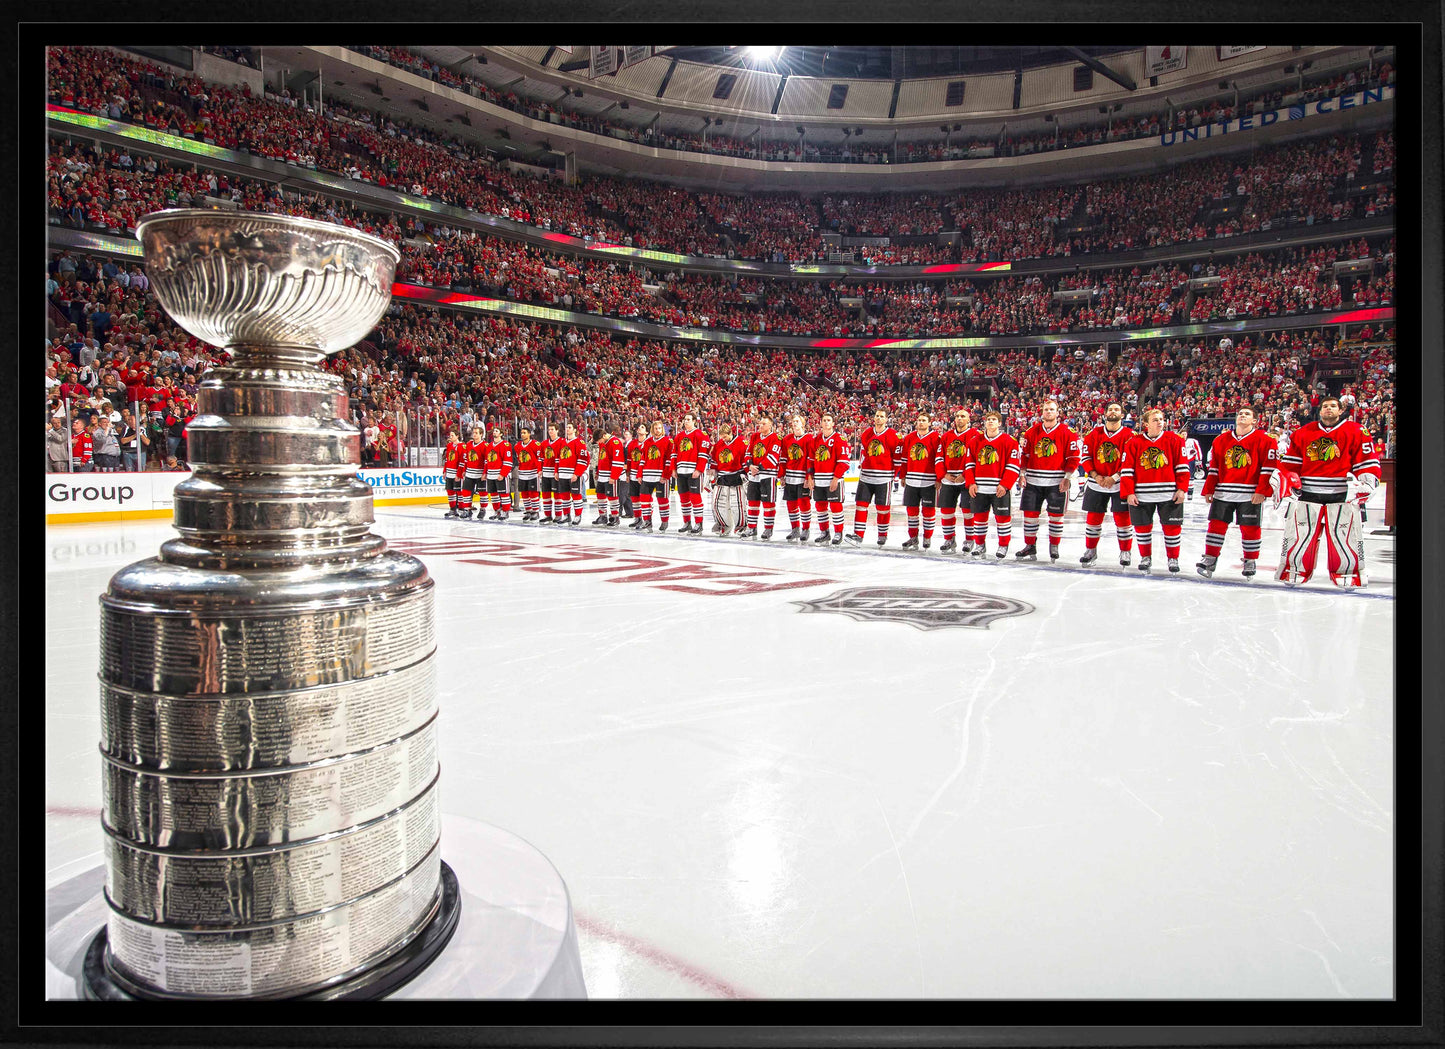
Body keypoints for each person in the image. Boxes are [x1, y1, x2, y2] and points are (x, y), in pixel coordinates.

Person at [1276, 395, 1380, 587]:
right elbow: (1291, 464)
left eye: (1333, 406)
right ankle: (1296, 568)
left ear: (1341, 410)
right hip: (1308, 491)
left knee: (1344, 535)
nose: (1328, 409)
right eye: (1325, 406)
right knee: (1301, 534)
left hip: (1342, 492)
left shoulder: (1356, 431)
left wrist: (1367, 481)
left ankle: (1347, 572)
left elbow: (1366, 460)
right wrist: (1287, 480)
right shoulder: (1304, 432)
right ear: (1320, 410)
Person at [1197, 406, 1276, 578]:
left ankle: (1250, 560)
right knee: (1216, 525)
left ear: (1254, 420)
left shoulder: (1265, 440)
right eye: (1240, 413)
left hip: (1249, 493)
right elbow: (1215, 467)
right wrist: (1209, 489)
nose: (1242, 415)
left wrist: (1262, 491)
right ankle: (1210, 558)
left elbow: (1268, 468)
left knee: (1250, 527)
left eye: (1247, 414)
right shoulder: (1221, 440)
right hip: (1223, 491)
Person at [1118, 409, 1190, 572]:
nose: (1159, 422)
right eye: (1155, 420)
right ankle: (1145, 557)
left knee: (1172, 528)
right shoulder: (1133, 442)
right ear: (1146, 424)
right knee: (1142, 527)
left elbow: (1182, 467)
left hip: (1169, 493)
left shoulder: (1175, 440)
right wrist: (1129, 492)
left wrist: (1182, 489)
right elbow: (1127, 470)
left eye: (1161, 419)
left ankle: (1173, 558)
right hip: (1141, 494)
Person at [1015, 399, 1080, 562]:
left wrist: (1067, 478)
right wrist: (1022, 474)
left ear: (1057, 413)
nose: (1049, 412)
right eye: (1046, 409)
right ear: (1042, 412)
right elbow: (1025, 455)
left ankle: (1054, 546)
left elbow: (1073, 458)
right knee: (1030, 515)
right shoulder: (1031, 432)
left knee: (1056, 516)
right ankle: (1030, 545)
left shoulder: (1068, 432)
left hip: (1056, 481)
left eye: (1052, 409)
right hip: (1033, 480)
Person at [1077, 402, 1136, 566]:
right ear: (1105, 414)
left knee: (1123, 519)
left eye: (1116, 409)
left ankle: (1125, 551)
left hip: (1120, 483)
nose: (1113, 412)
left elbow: (1131, 461)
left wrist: (1115, 477)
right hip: (1096, 482)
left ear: (1122, 415)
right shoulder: (1093, 434)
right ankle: (1091, 550)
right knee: (1093, 518)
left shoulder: (1130, 435)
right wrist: (1095, 476)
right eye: (1110, 409)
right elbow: (1086, 457)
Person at [965, 411, 1020, 559]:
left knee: (1002, 519)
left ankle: (1003, 545)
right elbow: (969, 465)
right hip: (979, 488)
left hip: (999, 488)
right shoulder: (974, 441)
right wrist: (971, 483)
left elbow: (1013, 465)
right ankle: (980, 544)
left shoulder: (1009, 441)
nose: (990, 421)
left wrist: (1005, 484)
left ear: (999, 423)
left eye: (994, 419)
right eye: (988, 419)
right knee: (979, 518)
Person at [844, 408, 903, 547]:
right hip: (866, 476)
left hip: (884, 477)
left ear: (886, 419)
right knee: (861, 505)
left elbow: (897, 458)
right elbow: (864, 452)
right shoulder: (867, 433)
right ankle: (858, 535)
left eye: (882, 416)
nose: (879, 418)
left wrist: (894, 476)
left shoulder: (894, 435)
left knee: (883, 507)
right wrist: (862, 466)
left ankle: (882, 535)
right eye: (877, 416)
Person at [934, 408, 976, 554]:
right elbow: (939, 457)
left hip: (966, 479)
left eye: (963, 416)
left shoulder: (975, 435)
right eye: (957, 416)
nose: (959, 418)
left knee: (968, 510)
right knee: (946, 510)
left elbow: (976, 458)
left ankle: (970, 539)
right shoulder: (946, 436)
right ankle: (949, 539)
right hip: (949, 479)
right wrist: (943, 475)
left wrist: (965, 474)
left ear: (969, 419)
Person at [899, 411, 941, 550]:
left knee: (928, 511)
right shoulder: (909, 437)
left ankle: (927, 537)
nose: (921, 422)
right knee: (912, 511)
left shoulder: (936, 438)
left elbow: (939, 459)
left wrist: (938, 478)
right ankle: (913, 537)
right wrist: (903, 475)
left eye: (924, 420)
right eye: (919, 420)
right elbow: (904, 458)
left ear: (929, 423)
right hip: (911, 480)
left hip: (929, 481)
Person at [809, 412, 849, 545]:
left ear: (833, 423)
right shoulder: (816, 440)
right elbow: (810, 460)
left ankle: (838, 532)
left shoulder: (839, 439)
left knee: (836, 506)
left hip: (833, 479)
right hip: (819, 480)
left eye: (828, 420)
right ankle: (824, 533)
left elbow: (844, 462)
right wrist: (810, 477)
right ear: (821, 423)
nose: (826, 422)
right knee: (820, 507)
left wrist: (836, 478)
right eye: (824, 420)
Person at [741, 415, 782, 540]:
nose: (760, 425)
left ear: (770, 425)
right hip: (754, 476)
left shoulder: (776, 438)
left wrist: (757, 468)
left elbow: (773, 457)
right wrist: (750, 465)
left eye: (764, 424)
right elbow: (747, 453)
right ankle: (752, 528)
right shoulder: (754, 436)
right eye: (760, 423)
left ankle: (768, 528)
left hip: (768, 475)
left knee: (768, 503)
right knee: (752, 502)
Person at [669, 412, 711, 534]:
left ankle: (699, 523)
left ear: (694, 421)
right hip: (681, 471)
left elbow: (703, 453)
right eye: (685, 419)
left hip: (693, 471)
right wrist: (673, 469)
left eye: (688, 419)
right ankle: (687, 522)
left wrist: (699, 469)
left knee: (695, 497)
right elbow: (674, 454)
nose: (686, 421)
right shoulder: (679, 436)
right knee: (683, 498)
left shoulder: (701, 435)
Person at [707, 418, 748, 537]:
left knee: (738, 504)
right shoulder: (718, 444)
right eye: (722, 437)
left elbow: (745, 460)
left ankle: (741, 526)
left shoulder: (741, 442)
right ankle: (724, 525)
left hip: (737, 476)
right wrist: (712, 470)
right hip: (722, 477)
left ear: (731, 433)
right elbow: (714, 461)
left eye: (725, 437)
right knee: (717, 503)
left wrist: (747, 474)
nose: (723, 439)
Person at [779, 414, 814, 542]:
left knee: (804, 503)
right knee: (791, 504)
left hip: (802, 477)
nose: (794, 423)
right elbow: (783, 458)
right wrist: (781, 475)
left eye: (797, 421)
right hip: (790, 477)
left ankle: (806, 529)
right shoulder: (787, 439)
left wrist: (809, 477)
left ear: (803, 424)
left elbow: (810, 459)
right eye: (793, 421)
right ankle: (795, 529)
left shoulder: (809, 438)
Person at [637, 420, 673, 531]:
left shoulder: (668, 441)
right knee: (644, 499)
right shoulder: (647, 442)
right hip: (647, 475)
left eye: (659, 428)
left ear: (662, 429)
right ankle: (647, 521)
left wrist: (665, 475)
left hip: (660, 476)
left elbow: (669, 460)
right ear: (652, 430)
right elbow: (643, 459)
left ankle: (664, 521)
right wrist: (640, 474)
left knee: (662, 500)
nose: (657, 430)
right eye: (655, 428)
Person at [555, 422, 590, 525]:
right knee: (564, 496)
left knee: (576, 495)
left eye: (570, 427)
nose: (567, 429)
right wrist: (556, 471)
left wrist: (577, 473)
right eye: (566, 427)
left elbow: (584, 459)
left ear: (575, 430)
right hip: (562, 473)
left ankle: (578, 515)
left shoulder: (579, 442)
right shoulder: (562, 442)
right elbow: (557, 458)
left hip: (573, 474)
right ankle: (566, 515)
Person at [593, 425, 625, 526]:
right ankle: (602, 516)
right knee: (600, 495)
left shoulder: (615, 442)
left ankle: (615, 517)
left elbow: (618, 461)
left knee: (612, 496)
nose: (599, 443)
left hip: (610, 475)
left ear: (603, 436)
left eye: (599, 441)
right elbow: (601, 458)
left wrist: (614, 476)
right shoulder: (603, 443)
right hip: (602, 474)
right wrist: (598, 472)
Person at [514, 426, 543, 520]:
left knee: (533, 493)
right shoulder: (517, 446)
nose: (522, 434)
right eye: (521, 433)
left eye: (524, 433)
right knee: (524, 493)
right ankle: (528, 510)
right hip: (522, 473)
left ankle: (535, 511)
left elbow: (539, 458)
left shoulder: (536, 444)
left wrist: (539, 470)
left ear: (529, 434)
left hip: (533, 472)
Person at [485, 425, 513, 520]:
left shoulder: (505, 445)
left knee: (504, 494)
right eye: (494, 431)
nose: (494, 432)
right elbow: (487, 461)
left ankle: (505, 511)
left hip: (500, 474)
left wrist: (503, 474)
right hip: (490, 474)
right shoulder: (489, 445)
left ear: (501, 434)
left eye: (497, 431)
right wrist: (485, 473)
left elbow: (508, 461)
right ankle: (497, 511)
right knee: (493, 495)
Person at [460, 425, 486, 520]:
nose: (474, 435)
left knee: (482, 493)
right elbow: (466, 459)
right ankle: (467, 509)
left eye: (476, 433)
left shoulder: (485, 445)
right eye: (473, 433)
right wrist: (464, 470)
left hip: (480, 473)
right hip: (469, 472)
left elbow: (486, 461)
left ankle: (482, 509)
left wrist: (485, 473)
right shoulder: (469, 444)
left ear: (481, 434)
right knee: (466, 491)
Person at [625, 424, 647, 527]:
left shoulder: (648, 443)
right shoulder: (632, 443)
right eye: (639, 427)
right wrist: (628, 473)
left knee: (645, 498)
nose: (639, 428)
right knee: (634, 497)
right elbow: (629, 460)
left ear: (646, 432)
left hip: (644, 474)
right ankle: (637, 518)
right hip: (633, 474)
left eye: (642, 427)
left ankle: (647, 519)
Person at [539, 423, 561, 523]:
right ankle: (548, 515)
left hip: (555, 473)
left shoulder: (561, 442)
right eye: (549, 429)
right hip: (545, 473)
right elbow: (541, 458)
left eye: (552, 429)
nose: (550, 431)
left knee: (557, 495)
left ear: (557, 430)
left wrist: (557, 471)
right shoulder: (544, 443)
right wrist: (540, 469)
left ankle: (558, 515)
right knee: (546, 495)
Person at [1177, 423, 1205, 499]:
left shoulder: (1192, 441)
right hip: (1181, 462)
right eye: (1183, 434)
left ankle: (1190, 494)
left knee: (1190, 478)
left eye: (1185, 434)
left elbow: (1198, 450)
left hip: (1190, 461)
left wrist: (1199, 461)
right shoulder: (1178, 441)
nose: (1184, 435)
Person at [442, 430, 464, 518]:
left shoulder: (462, 446)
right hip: (449, 472)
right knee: (450, 491)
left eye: (452, 435)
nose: (450, 437)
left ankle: (461, 509)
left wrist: (458, 474)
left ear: (457, 436)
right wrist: (445, 471)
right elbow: (447, 459)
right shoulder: (449, 445)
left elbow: (462, 462)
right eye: (450, 435)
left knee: (459, 492)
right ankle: (452, 509)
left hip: (456, 473)